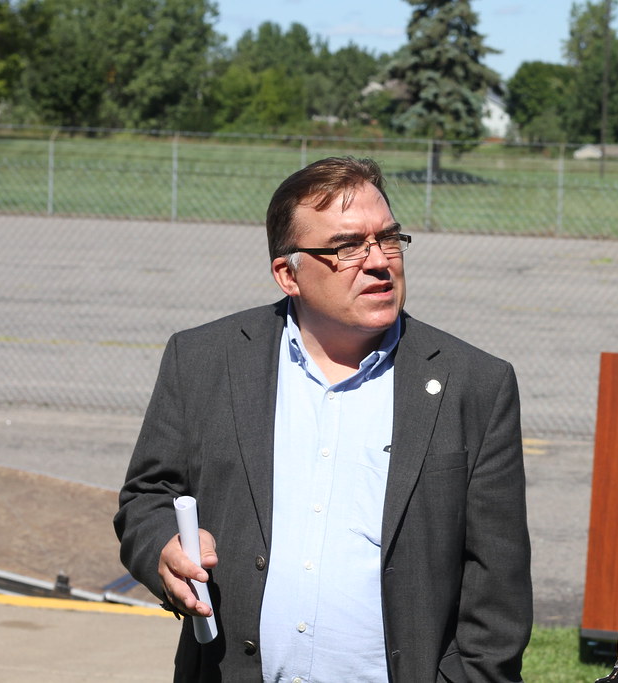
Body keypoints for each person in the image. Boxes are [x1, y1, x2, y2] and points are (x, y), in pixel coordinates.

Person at [114, 156, 532, 682]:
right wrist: (163, 548)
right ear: (288, 274)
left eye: (388, 238)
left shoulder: (474, 384)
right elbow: (147, 496)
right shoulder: (203, 360)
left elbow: (498, 584)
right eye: (347, 246)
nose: (378, 261)